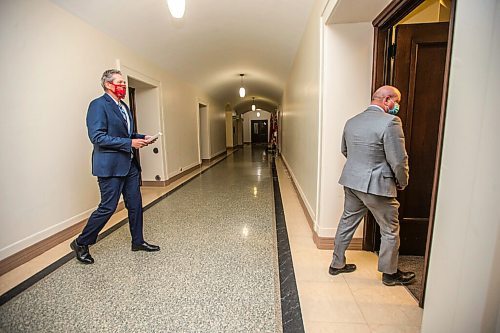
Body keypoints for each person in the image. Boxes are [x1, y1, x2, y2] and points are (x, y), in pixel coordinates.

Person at [70, 69, 160, 264]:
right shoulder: (98, 105)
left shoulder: (124, 107)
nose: (123, 86)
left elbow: (125, 134)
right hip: (110, 166)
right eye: (119, 82)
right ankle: (81, 242)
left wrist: (140, 138)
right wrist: (129, 144)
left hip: (130, 166)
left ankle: (138, 241)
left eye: (124, 83)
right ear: (108, 85)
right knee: (108, 207)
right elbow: (97, 137)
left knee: (135, 205)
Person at [328, 85, 416, 286]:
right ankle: (390, 273)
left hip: (352, 181)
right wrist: (402, 181)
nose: (397, 107)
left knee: (347, 222)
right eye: (397, 102)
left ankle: (337, 264)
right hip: (377, 185)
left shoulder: (352, 122)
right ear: (387, 100)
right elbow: (398, 160)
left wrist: (360, 167)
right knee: (389, 229)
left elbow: (345, 150)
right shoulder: (391, 122)